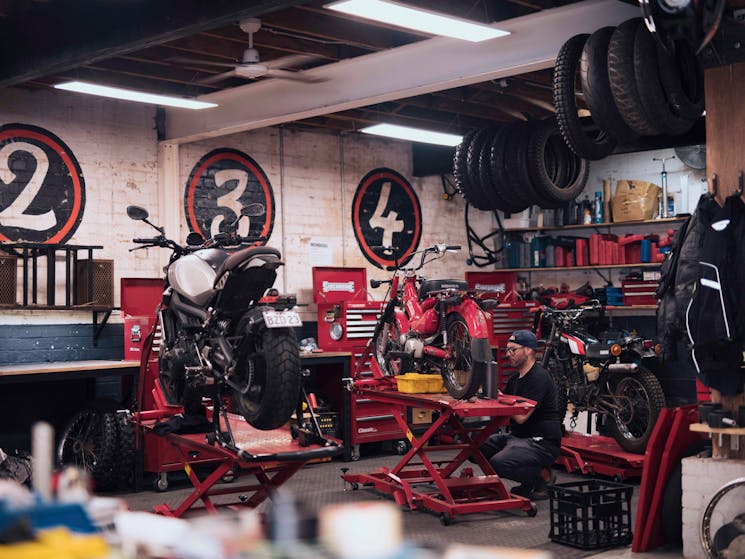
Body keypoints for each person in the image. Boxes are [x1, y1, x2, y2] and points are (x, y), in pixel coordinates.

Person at [480, 329, 562, 500]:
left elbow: (520, 416)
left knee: (499, 462)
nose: (508, 354)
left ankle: (542, 477)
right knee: (475, 448)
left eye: (513, 350)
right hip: (518, 438)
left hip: (541, 441)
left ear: (528, 350)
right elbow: (504, 406)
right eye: (507, 350)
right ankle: (529, 481)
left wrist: (499, 399)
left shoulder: (538, 378)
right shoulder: (514, 379)